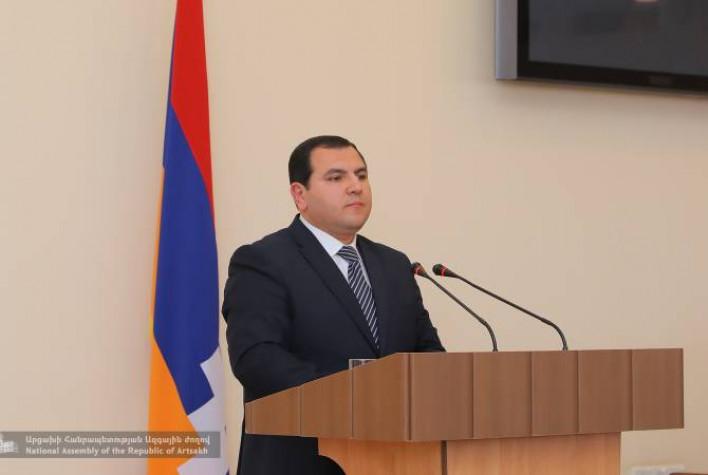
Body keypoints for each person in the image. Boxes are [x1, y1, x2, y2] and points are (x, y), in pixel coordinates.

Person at [222, 135, 445, 475]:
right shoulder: (264, 261)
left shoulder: (394, 264)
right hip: (301, 462)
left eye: (361, 175)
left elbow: (429, 353)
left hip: (396, 460)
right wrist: (356, 396)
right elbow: (257, 359)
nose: (355, 187)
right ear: (300, 195)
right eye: (336, 177)